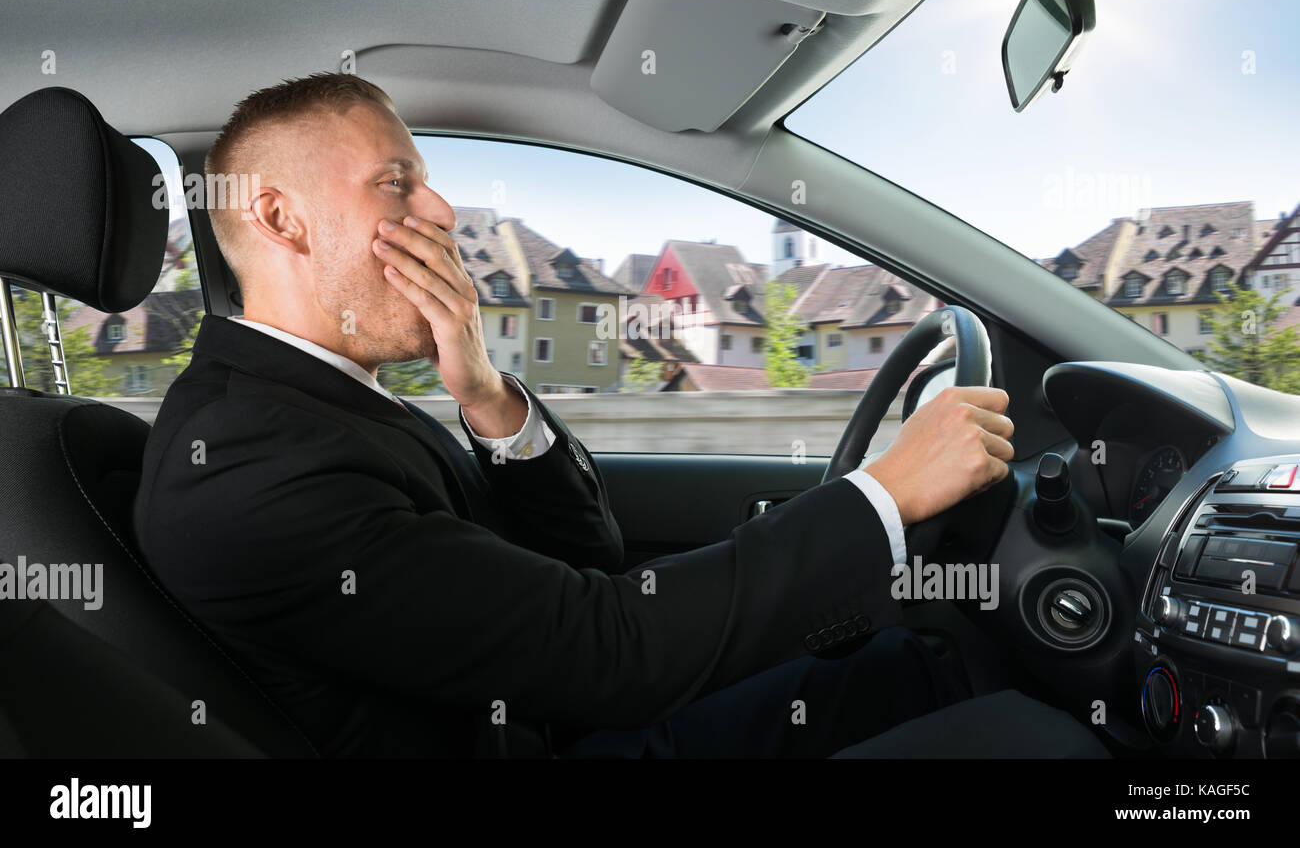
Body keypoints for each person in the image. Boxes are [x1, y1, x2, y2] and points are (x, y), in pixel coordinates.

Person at [134, 73, 1018, 758]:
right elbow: (610, 650)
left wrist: (483, 393)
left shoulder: (320, 400)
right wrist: (885, 494)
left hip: (556, 718)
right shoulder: (247, 463)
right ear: (282, 219)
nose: (442, 212)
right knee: (996, 723)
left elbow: (581, 560)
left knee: (909, 670)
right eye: (397, 184)